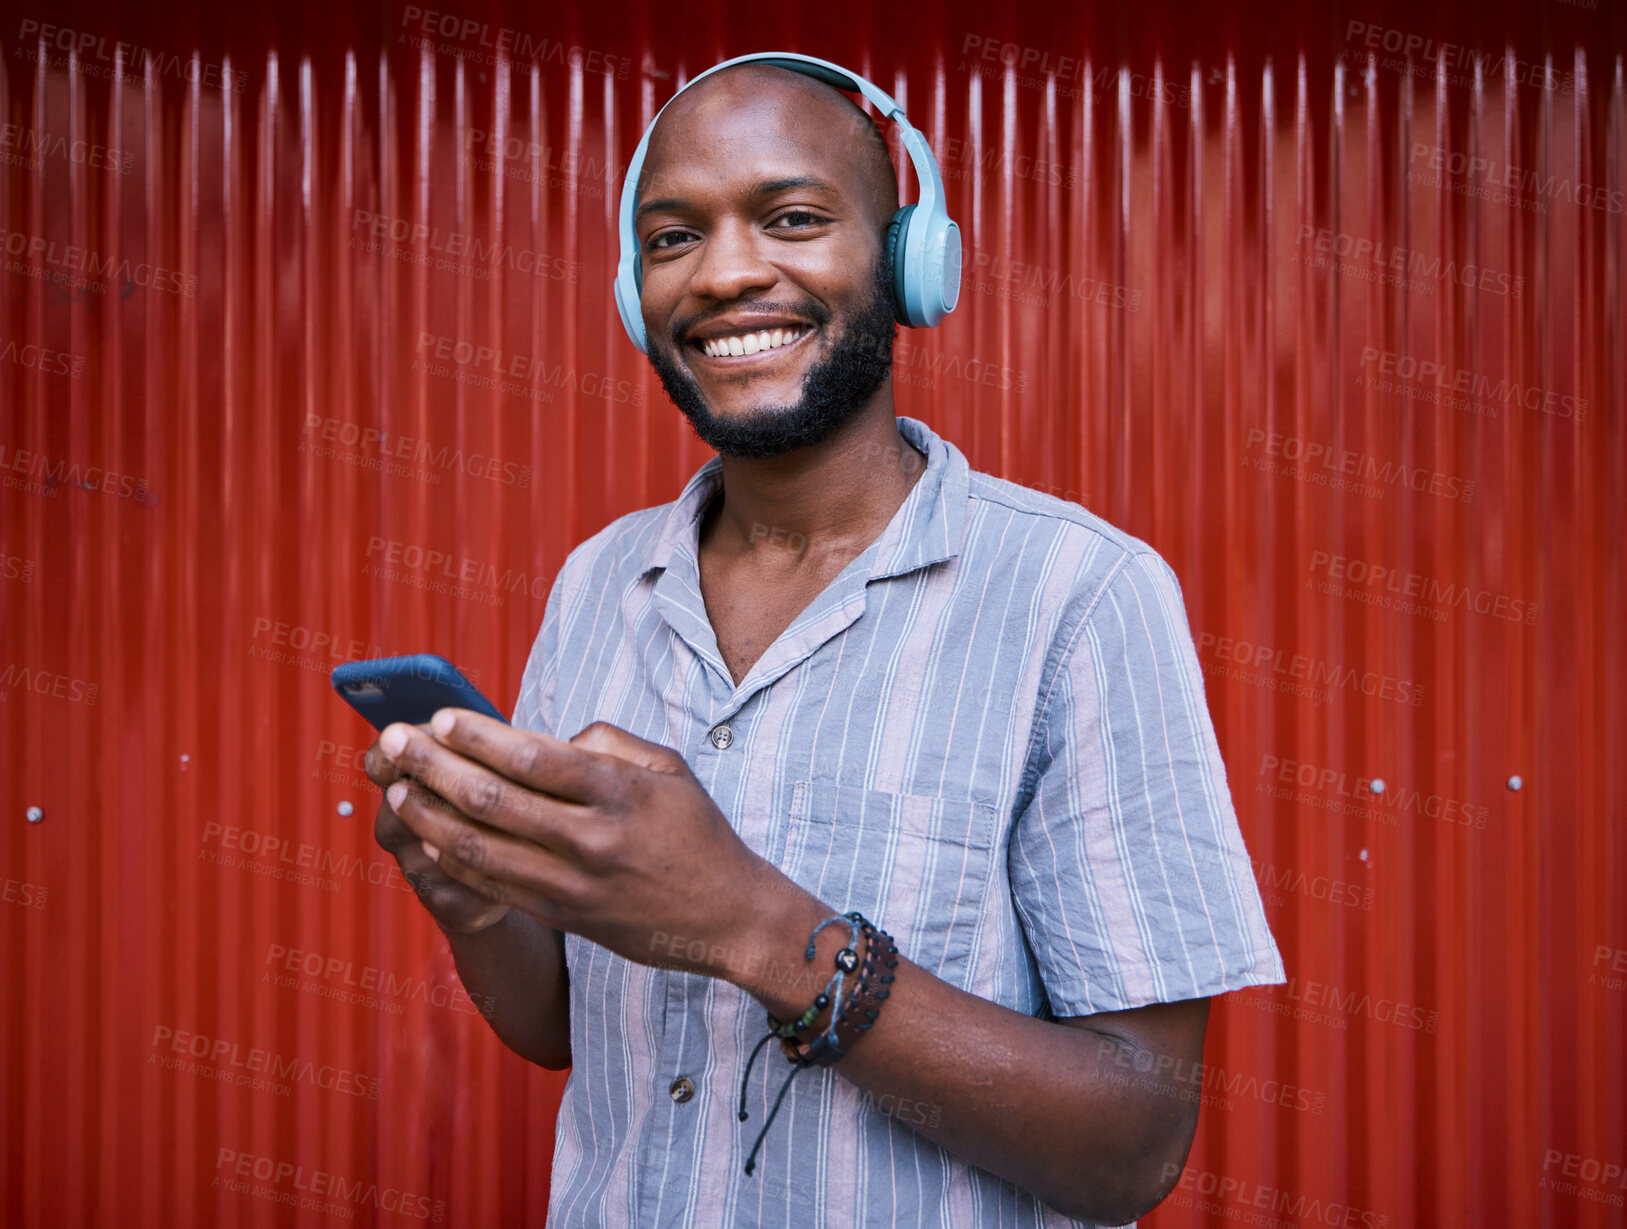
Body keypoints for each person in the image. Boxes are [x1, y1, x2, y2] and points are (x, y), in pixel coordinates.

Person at [363, 54, 1285, 1228]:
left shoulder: (1079, 595)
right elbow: (556, 1025)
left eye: (793, 218)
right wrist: (477, 895)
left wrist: (752, 924)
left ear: (911, 260)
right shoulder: (601, 582)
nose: (729, 272)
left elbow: (1134, 1141)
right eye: (670, 238)